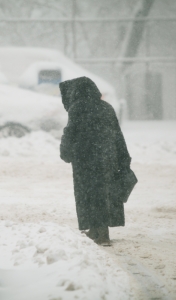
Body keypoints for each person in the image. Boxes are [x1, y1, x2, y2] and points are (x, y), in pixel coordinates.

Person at [59, 76, 132, 246]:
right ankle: (99, 230)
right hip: (108, 158)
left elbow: (70, 132)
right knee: (103, 193)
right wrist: (123, 158)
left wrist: (65, 152)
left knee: (88, 195)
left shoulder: (77, 108)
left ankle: (100, 234)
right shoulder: (106, 107)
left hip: (85, 159)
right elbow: (118, 135)